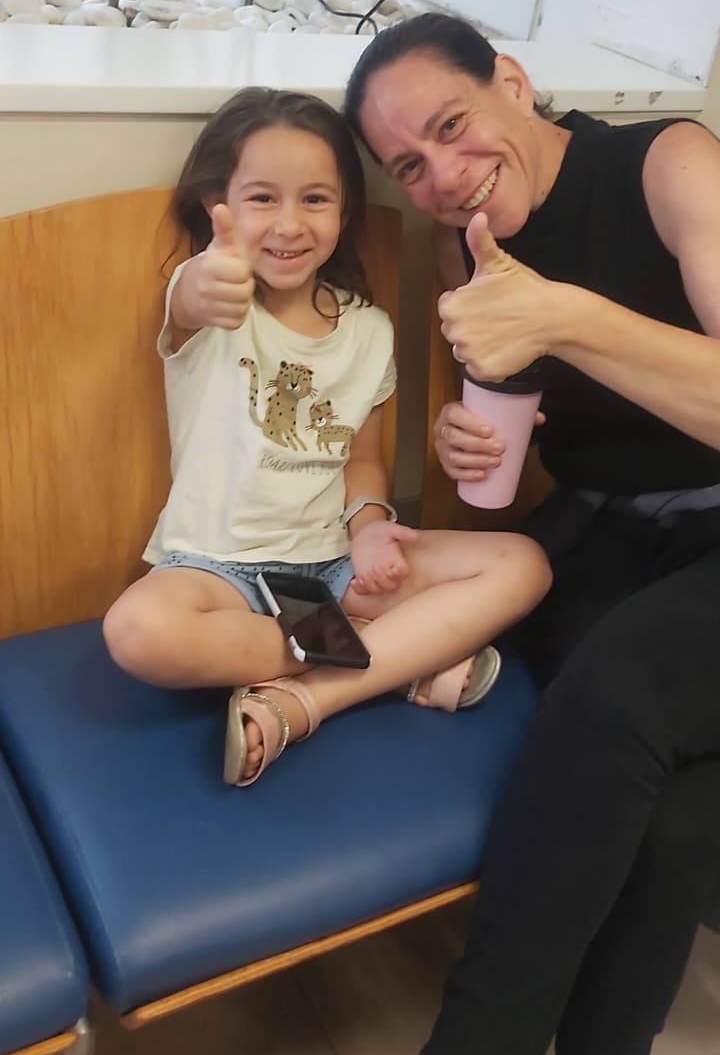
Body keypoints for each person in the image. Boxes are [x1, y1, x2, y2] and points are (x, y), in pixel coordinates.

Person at [249, 16, 720, 1055]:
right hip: (610, 527)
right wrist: (468, 447)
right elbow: (507, 452)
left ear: (513, 80)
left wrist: (566, 317)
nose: (445, 174)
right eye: (409, 165)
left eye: (453, 126)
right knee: (669, 797)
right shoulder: (471, 247)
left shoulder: (669, 165)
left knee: (617, 700)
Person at [103, 86, 549, 787]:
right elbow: (192, 294)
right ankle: (386, 656)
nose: (289, 224)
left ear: (345, 210)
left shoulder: (369, 330)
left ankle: (316, 683)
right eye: (261, 198)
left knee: (524, 564)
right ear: (219, 205)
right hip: (215, 573)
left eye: (315, 199)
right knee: (137, 631)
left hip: (332, 569)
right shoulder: (212, 302)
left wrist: (370, 529)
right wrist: (207, 279)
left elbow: (362, 460)